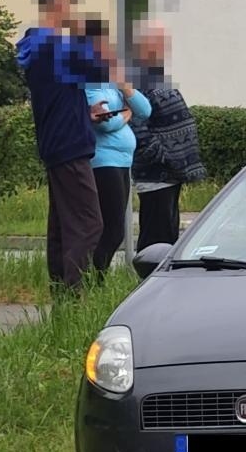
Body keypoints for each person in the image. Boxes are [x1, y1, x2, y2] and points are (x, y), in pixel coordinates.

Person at [15, 0, 108, 293]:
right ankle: (73, 292)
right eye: (71, 6)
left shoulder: (39, 48)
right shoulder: (55, 47)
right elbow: (98, 68)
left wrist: (84, 111)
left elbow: (60, 95)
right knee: (89, 223)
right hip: (70, 146)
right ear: (59, 5)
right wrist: (82, 33)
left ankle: (60, 291)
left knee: (62, 224)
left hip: (57, 144)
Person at [82, 18, 151, 273]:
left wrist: (126, 89)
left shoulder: (113, 83)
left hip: (122, 161)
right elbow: (104, 123)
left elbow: (145, 110)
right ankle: (94, 277)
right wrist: (125, 115)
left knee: (115, 228)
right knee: (111, 228)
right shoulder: (90, 82)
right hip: (104, 161)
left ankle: (95, 276)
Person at [130, 19, 206, 249]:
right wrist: (164, 157)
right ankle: (149, 272)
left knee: (168, 236)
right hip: (157, 175)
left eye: (164, 42)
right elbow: (137, 127)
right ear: (142, 46)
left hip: (170, 175)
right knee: (156, 239)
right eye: (158, 42)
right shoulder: (137, 79)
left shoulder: (155, 75)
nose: (163, 47)